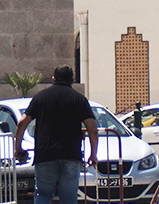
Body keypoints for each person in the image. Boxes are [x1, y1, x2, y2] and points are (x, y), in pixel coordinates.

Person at [13, 66, 97, 204]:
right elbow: (92, 129)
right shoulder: (79, 99)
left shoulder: (40, 97)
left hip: (45, 155)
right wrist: (93, 154)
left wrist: (18, 148)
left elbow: (22, 123)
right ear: (72, 80)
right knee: (69, 198)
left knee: (43, 195)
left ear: (53, 78)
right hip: (71, 155)